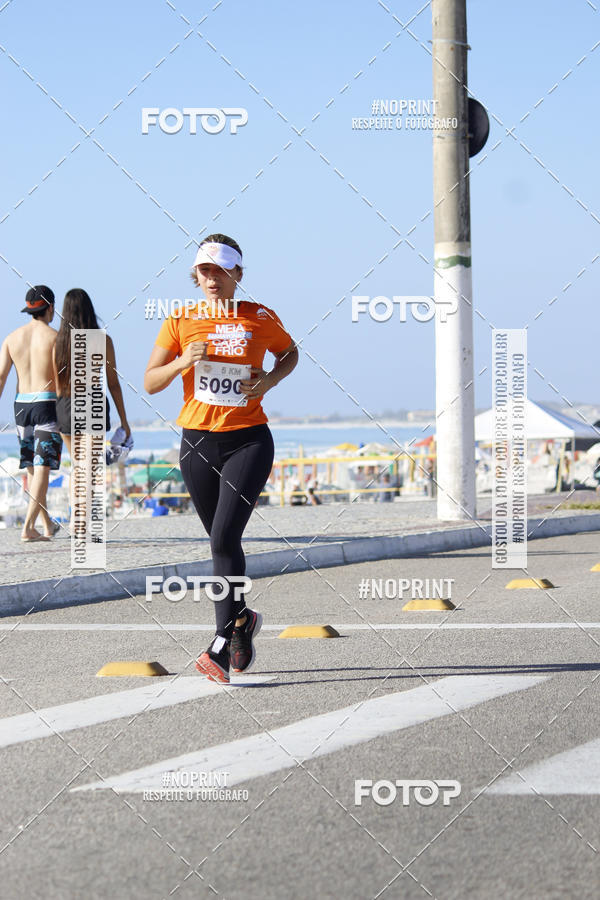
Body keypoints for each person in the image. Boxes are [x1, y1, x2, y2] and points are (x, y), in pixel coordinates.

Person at [144, 234, 298, 683]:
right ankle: (242, 621)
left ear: (238, 275)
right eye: (205, 271)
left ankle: (217, 645)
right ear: (196, 275)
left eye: (222, 270)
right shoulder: (180, 320)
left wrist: (268, 381)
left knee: (223, 538)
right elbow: (151, 381)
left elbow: (290, 353)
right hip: (196, 443)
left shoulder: (258, 316)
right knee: (221, 542)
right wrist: (180, 364)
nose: (213, 278)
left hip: (248, 440)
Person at [0, 286, 62, 541]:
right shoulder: (56, 338)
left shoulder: (12, 338)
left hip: (21, 406)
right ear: (51, 308)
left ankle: (47, 525)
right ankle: (27, 528)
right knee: (43, 467)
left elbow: (1, 378)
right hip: (47, 404)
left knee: (33, 470)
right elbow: (61, 382)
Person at [53, 289, 131, 460]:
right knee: (91, 469)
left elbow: (58, 386)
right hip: (92, 402)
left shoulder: (58, 344)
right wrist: (124, 421)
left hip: (65, 405)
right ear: (90, 309)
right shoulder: (103, 340)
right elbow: (113, 385)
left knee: (79, 467)